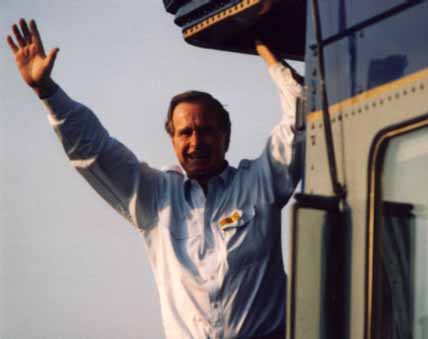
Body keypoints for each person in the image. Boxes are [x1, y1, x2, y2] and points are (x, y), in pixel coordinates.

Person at [7, 18, 304, 339]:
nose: (196, 142)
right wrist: (47, 91)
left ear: (225, 136)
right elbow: (95, 151)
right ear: (172, 139)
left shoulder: (261, 182)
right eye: (185, 133)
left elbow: (302, 115)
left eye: (206, 131)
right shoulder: (155, 196)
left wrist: (264, 50)